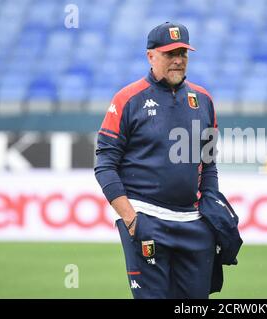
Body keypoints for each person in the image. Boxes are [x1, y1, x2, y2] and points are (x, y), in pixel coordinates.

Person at [94, 22, 220, 299]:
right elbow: (105, 163)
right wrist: (131, 219)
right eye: (169, 53)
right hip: (147, 220)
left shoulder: (204, 100)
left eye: (183, 53)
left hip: (193, 223)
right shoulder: (127, 99)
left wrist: (211, 210)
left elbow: (208, 163)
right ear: (151, 56)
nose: (177, 60)